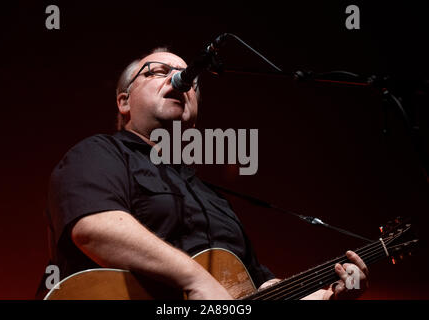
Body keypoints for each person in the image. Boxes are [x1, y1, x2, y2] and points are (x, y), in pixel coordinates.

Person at [37, 47, 369, 300]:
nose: (179, 79)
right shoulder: (100, 153)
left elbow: (253, 288)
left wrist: (324, 295)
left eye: (188, 78)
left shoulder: (215, 201)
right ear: (124, 102)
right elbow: (94, 228)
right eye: (158, 71)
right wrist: (195, 279)